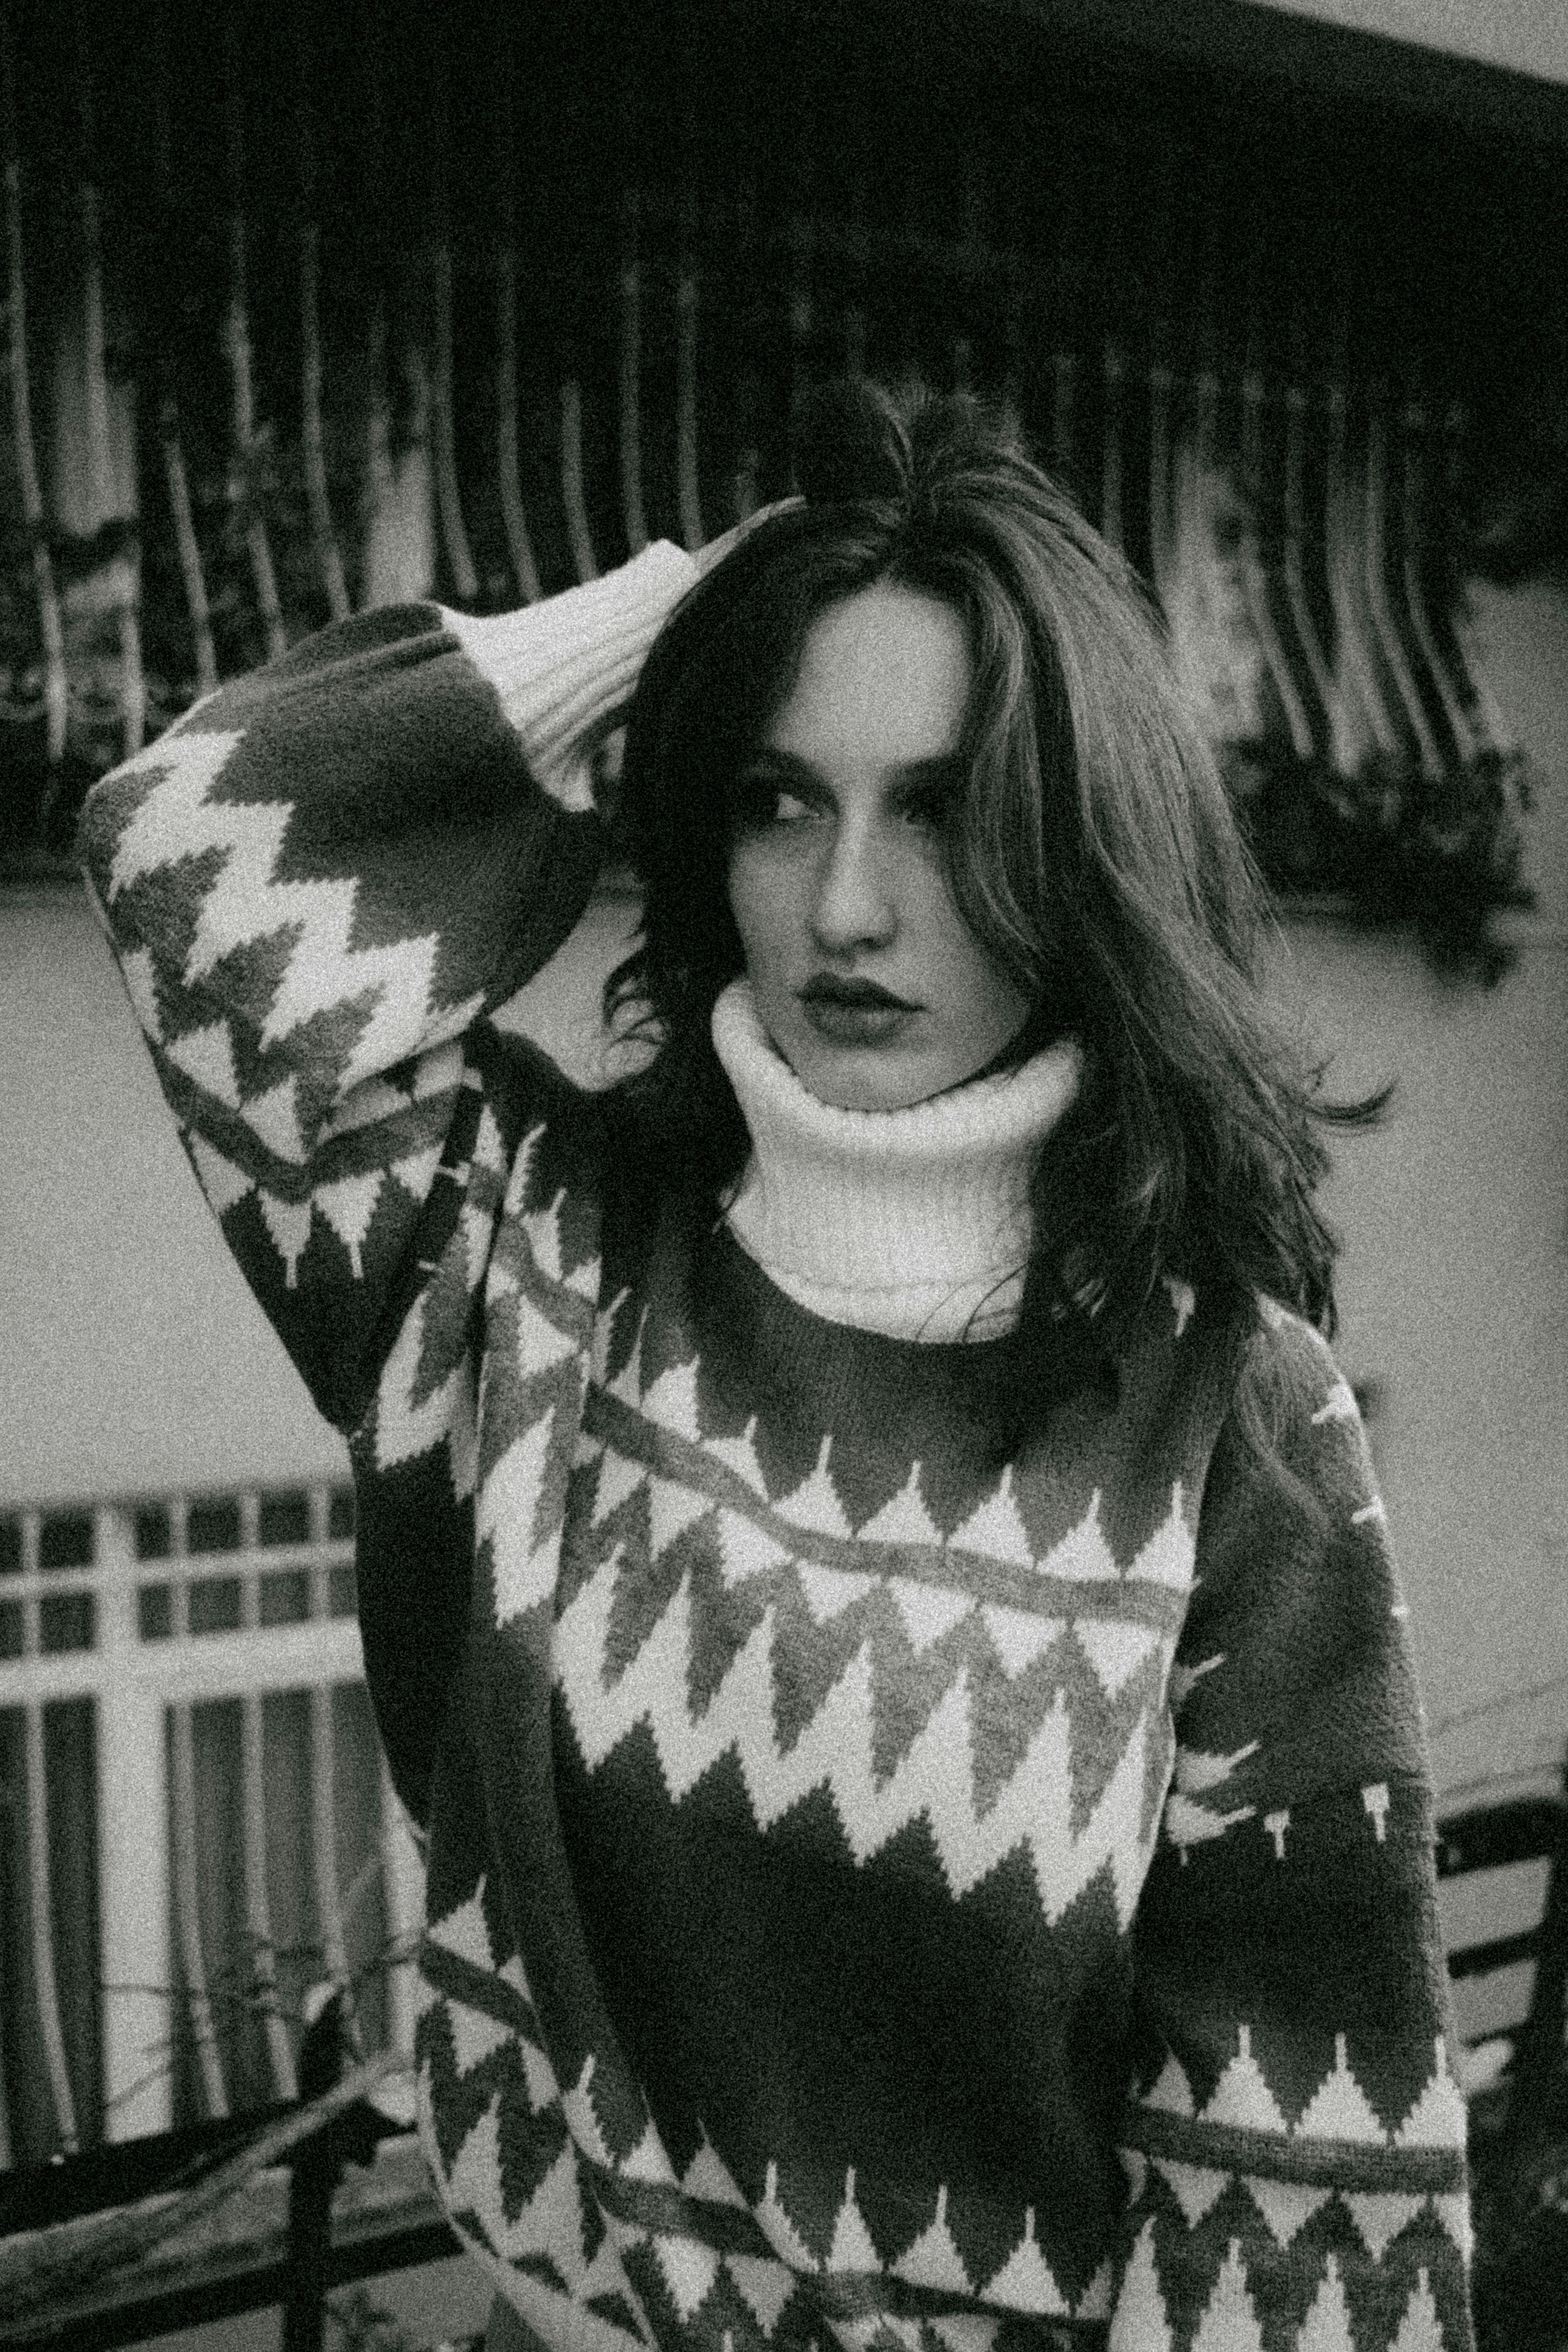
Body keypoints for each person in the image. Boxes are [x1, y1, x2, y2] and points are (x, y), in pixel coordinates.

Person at [79, 383, 1472, 2352]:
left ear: (1080, 845)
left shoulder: (1231, 1420)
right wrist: (688, 610)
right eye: (777, 795)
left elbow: (1299, 2187)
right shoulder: (517, 1259)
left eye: (947, 805)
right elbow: (183, 853)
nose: (845, 907)